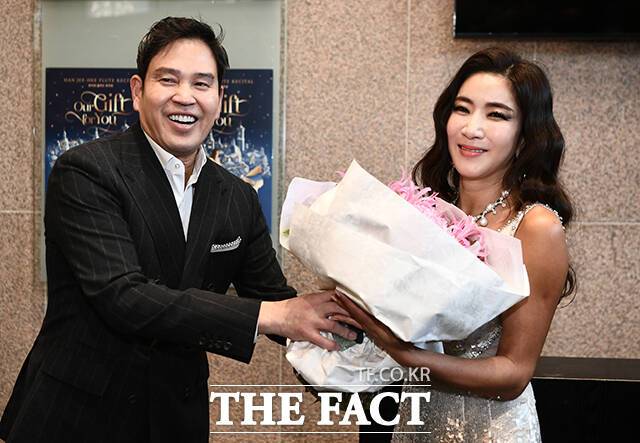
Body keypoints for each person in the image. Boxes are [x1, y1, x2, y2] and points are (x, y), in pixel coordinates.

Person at [0, 17, 356, 443]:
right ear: (137, 91)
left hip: (176, 417)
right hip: (77, 417)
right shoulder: (86, 171)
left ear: (219, 98)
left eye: (202, 84)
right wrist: (275, 315)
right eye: (168, 79)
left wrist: (362, 334)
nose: (185, 96)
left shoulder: (236, 196)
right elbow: (124, 296)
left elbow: (275, 299)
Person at [334, 47, 576, 442]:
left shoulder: (536, 226)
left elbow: (513, 374)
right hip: (416, 422)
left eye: (496, 115)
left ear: (525, 137)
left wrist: (405, 355)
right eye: (462, 109)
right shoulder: (427, 215)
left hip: (492, 431)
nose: (471, 128)